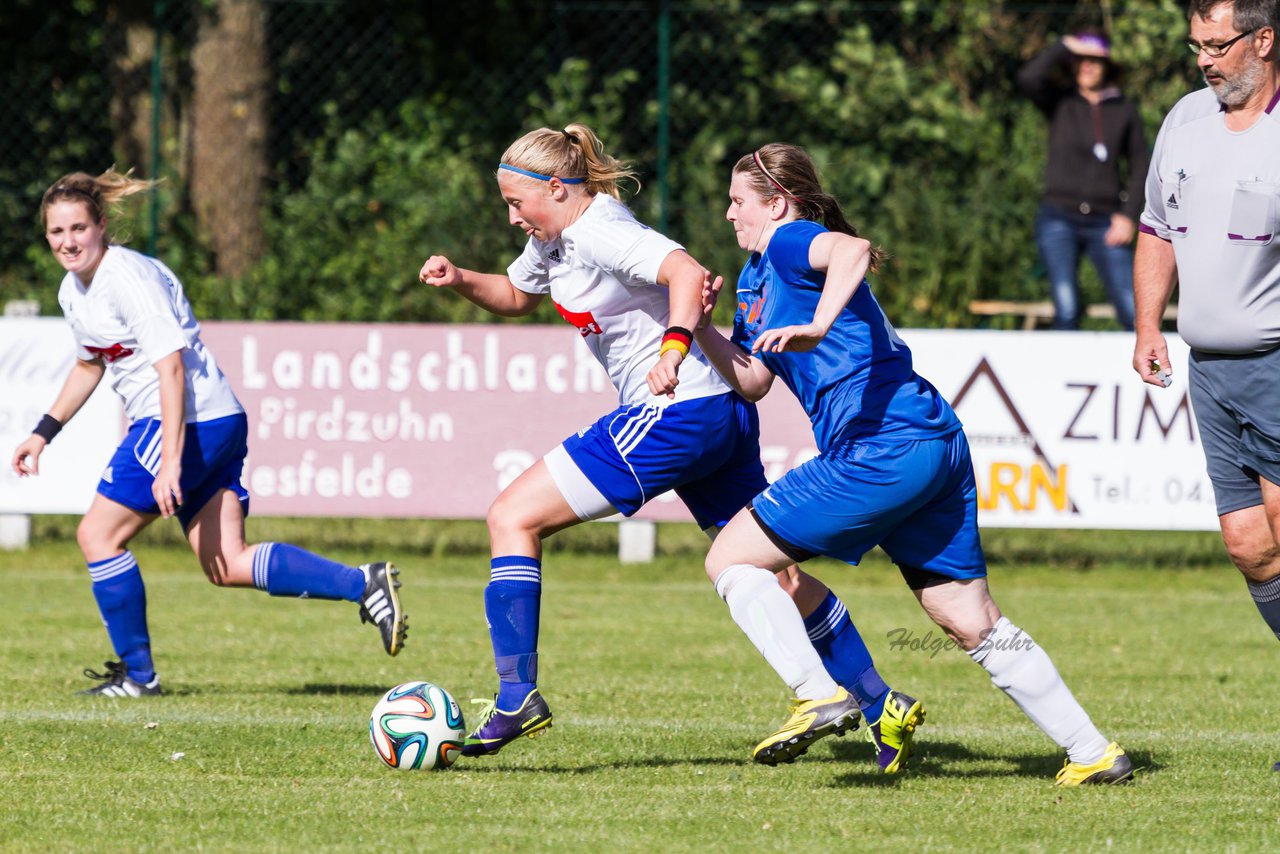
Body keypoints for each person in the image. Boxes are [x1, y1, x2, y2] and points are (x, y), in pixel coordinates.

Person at [418, 123, 924, 771]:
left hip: (674, 411)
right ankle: (880, 703)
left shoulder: (602, 228)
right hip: (717, 415)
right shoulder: (556, 239)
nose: (513, 216)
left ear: (557, 187)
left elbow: (684, 271)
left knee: (511, 516)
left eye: (519, 203)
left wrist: (675, 344)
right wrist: (460, 277)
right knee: (772, 570)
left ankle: (517, 696)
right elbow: (518, 295)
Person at [693, 142, 1132, 786]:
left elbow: (853, 249)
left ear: (778, 204)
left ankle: (819, 693)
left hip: (881, 445)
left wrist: (817, 323)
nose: (729, 214)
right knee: (968, 617)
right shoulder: (757, 279)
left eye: (738, 201)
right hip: (931, 439)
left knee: (728, 560)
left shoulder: (790, 242)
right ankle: (1093, 751)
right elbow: (755, 378)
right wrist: (702, 328)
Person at [10, 169, 407, 698]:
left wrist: (170, 459)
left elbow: (171, 368)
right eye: (56, 233)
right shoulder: (73, 290)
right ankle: (363, 583)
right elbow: (90, 366)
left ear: (101, 225)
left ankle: (138, 676)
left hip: (185, 421)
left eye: (78, 228)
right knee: (227, 564)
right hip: (214, 419)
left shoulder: (126, 278)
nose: (67, 241)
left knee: (98, 535)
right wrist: (43, 432)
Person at [1132, 0, 1280, 772]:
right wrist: (1148, 325)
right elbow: (1157, 226)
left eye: (1218, 46)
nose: (1204, 61)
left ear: (1264, 39)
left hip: (1277, 363)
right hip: (1207, 370)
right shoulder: (1185, 120)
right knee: (1250, 547)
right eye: (1195, 46)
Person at [1017, 31, 1149, 331]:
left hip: (1106, 222)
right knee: (1067, 305)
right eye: (1081, 60)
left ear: (1107, 65)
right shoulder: (1060, 101)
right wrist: (1063, 45)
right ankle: (1063, 374)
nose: (1087, 67)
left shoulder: (1124, 109)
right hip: (1057, 217)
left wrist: (1129, 217)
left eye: (1094, 60)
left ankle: (1153, 374)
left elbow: (1141, 164)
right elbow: (1028, 79)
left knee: (1133, 307)